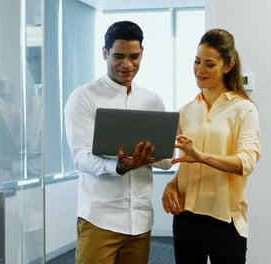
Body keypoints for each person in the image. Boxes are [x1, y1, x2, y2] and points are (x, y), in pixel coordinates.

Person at [64, 20, 172, 263]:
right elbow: (80, 157)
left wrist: (171, 148)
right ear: (105, 53)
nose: (127, 64)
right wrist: (119, 166)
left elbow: (166, 162)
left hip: (140, 220)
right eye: (118, 56)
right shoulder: (84, 97)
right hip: (100, 219)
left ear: (142, 53)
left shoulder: (153, 101)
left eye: (134, 56)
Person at [161, 28, 261, 264]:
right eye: (197, 62)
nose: (200, 70)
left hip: (225, 222)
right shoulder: (186, 111)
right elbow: (185, 162)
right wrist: (172, 184)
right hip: (186, 218)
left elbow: (246, 162)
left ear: (228, 66)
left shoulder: (244, 109)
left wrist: (202, 156)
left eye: (209, 64)